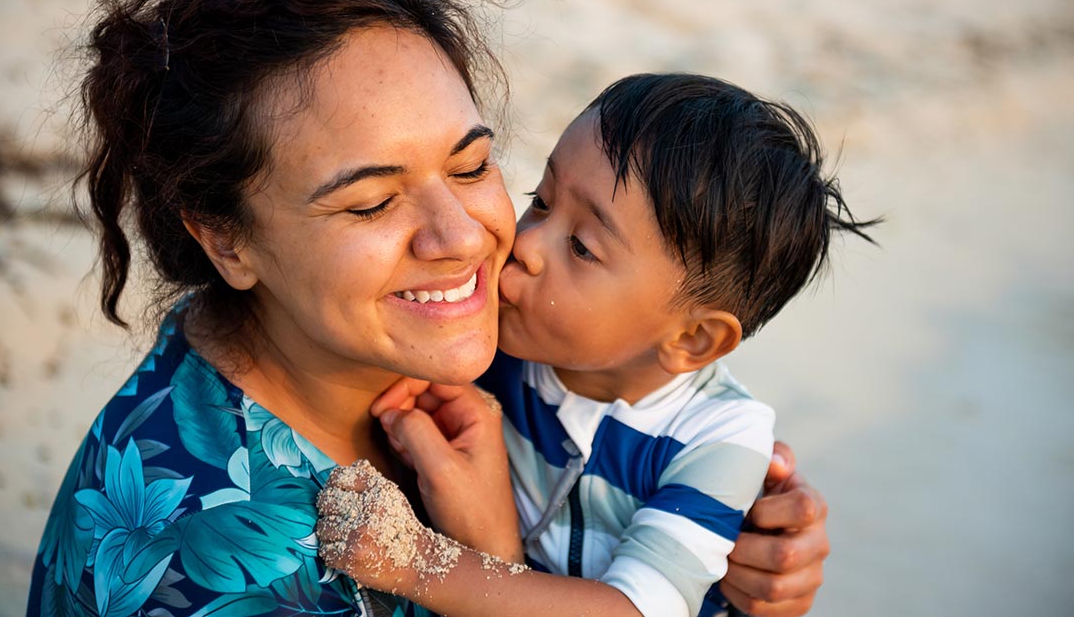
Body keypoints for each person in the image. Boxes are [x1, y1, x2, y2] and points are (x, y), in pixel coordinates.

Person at [25, 0, 828, 615]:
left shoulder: (391, 347)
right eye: (373, 202)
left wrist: (737, 559)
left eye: (472, 164)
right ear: (226, 239)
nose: (466, 239)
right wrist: (490, 550)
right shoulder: (216, 566)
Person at [318, 73, 874, 617]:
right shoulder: (501, 339)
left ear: (692, 338)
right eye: (541, 198)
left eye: (581, 247)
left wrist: (418, 563)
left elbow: (631, 608)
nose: (528, 243)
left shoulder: (716, 441)